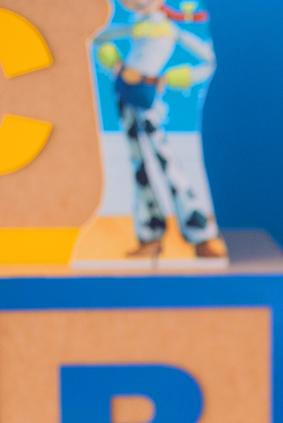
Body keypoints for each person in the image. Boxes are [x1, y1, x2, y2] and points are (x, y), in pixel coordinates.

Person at [94, 0, 226, 259]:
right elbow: (97, 38)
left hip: (147, 93)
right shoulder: (136, 26)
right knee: (138, 162)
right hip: (125, 92)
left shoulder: (169, 29)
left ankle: (200, 232)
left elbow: (209, 60)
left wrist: (171, 78)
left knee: (166, 160)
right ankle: (150, 233)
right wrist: (115, 63)